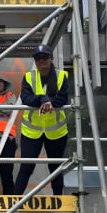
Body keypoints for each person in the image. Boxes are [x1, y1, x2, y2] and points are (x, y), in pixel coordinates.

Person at [13, 44, 69, 196]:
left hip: (56, 131)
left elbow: (63, 98)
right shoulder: (28, 77)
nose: (41, 60)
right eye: (38, 58)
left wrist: (51, 103)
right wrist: (42, 99)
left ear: (51, 58)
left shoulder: (62, 75)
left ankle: (59, 202)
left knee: (55, 168)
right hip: (31, 131)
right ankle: (13, 203)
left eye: (45, 57)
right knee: (26, 168)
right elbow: (26, 99)